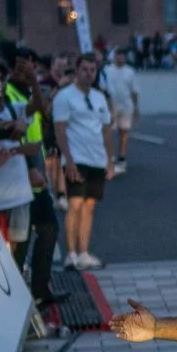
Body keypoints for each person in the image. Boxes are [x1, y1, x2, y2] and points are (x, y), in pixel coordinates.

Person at [49, 54, 115, 269]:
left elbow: (106, 129)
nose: (89, 74)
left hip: (97, 158)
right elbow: (60, 129)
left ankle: (84, 252)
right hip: (76, 157)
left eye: (92, 70)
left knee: (89, 205)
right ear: (76, 71)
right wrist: (68, 160)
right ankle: (71, 254)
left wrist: (110, 159)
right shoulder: (65, 97)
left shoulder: (99, 97)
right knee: (75, 204)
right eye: (85, 69)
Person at [102, 49, 143, 168]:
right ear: (114, 57)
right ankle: (110, 156)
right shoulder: (108, 70)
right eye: (118, 56)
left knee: (124, 130)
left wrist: (136, 107)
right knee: (109, 131)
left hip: (126, 104)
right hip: (111, 105)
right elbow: (103, 87)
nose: (120, 58)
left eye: (122, 56)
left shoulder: (130, 72)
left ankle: (122, 155)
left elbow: (134, 90)